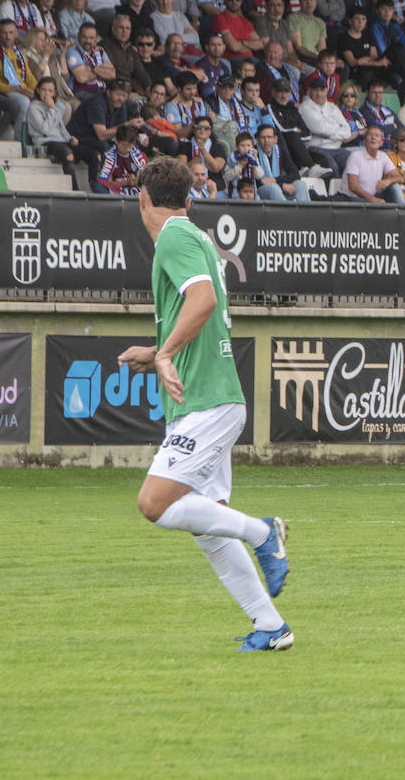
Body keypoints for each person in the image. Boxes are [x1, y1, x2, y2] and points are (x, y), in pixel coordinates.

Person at [116, 157, 291, 652]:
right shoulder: (195, 237)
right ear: (188, 199)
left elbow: (204, 302)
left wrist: (166, 353)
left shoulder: (173, 235)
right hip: (211, 398)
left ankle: (263, 532)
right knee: (208, 525)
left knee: (154, 504)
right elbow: (199, 311)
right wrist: (155, 354)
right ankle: (271, 626)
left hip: (207, 402)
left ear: (143, 199)